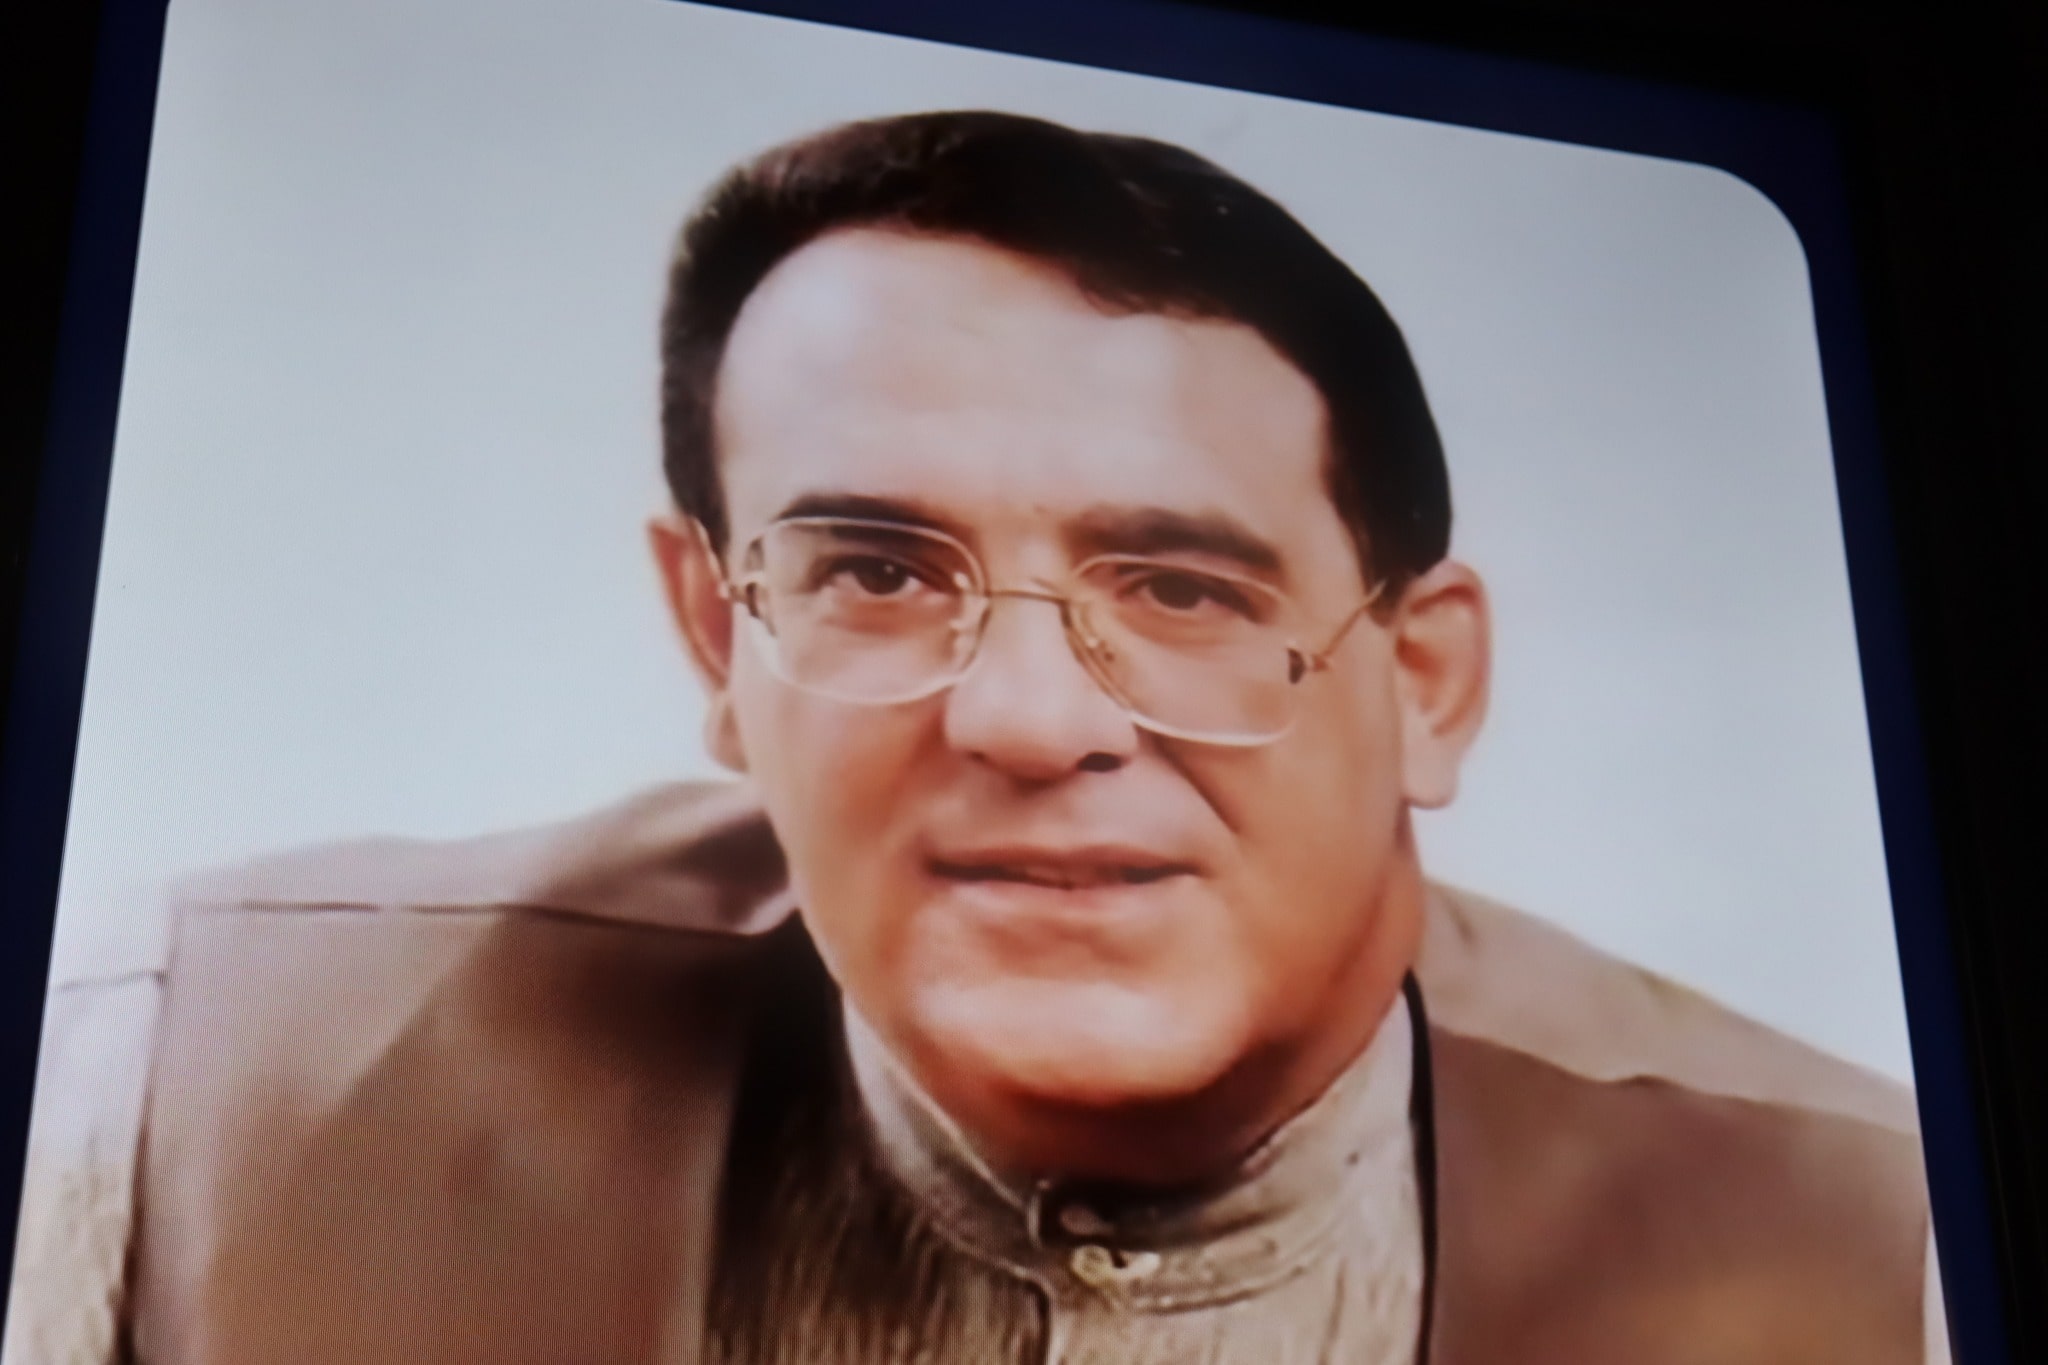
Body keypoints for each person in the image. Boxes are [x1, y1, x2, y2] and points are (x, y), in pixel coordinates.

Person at [6, 111, 1944, 1365]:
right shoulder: (167, 1079)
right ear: (717, 632)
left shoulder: (1889, 1254)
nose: (1028, 717)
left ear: (1422, 678)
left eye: (1181, 587)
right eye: (873, 570)